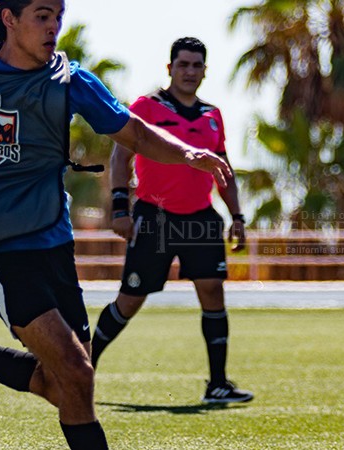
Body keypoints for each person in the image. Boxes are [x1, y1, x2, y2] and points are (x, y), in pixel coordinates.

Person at [0, 1, 231, 449]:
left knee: (67, 384)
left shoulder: (69, 80)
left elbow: (133, 132)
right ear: (10, 19)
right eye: (42, 15)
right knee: (75, 373)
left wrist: (187, 153)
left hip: (55, 248)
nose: (54, 26)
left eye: (58, 16)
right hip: (0, 252)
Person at [88, 37, 253, 404]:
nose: (190, 71)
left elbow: (224, 171)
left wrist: (237, 216)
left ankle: (218, 385)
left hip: (201, 220)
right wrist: (119, 209)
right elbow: (120, 156)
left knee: (212, 291)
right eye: (184, 64)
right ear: (170, 68)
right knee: (130, 300)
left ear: (205, 71)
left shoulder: (213, 115)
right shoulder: (146, 107)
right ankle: (82, 369)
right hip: (154, 217)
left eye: (197, 65)